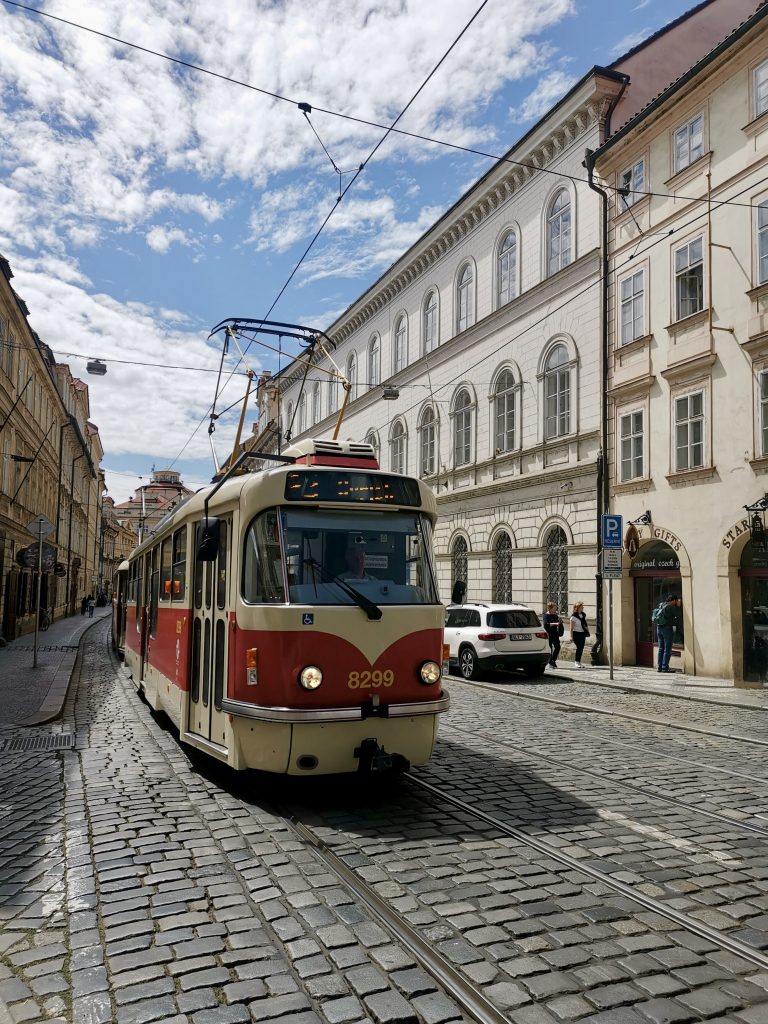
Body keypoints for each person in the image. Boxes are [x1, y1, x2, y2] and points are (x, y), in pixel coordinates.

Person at [656, 594, 679, 673]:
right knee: (667, 649)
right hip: (667, 629)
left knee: (661, 648)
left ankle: (659, 667)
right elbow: (677, 615)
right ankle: (665, 667)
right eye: (676, 601)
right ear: (673, 600)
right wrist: (678, 606)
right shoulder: (671, 607)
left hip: (659, 628)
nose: (676, 602)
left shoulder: (661, 604)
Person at [543, 601, 564, 669]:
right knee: (550, 649)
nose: (555, 609)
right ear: (550, 608)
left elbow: (559, 622)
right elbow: (546, 625)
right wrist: (555, 624)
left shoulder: (555, 615)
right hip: (548, 634)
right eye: (554, 607)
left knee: (557, 647)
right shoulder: (546, 615)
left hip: (555, 634)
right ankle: (551, 662)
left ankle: (553, 660)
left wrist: (560, 622)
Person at [569, 601, 590, 668]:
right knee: (579, 647)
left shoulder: (583, 615)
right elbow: (571, 628)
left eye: (582, 607)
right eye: (581, 607)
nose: (582, 608)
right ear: (577, 608)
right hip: (576, 633)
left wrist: (587, 631)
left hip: (582, 633)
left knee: (581, 648)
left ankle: (578, 661)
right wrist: (571, 636)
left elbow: (585, 624)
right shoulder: (573, 617)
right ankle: (576, 662)